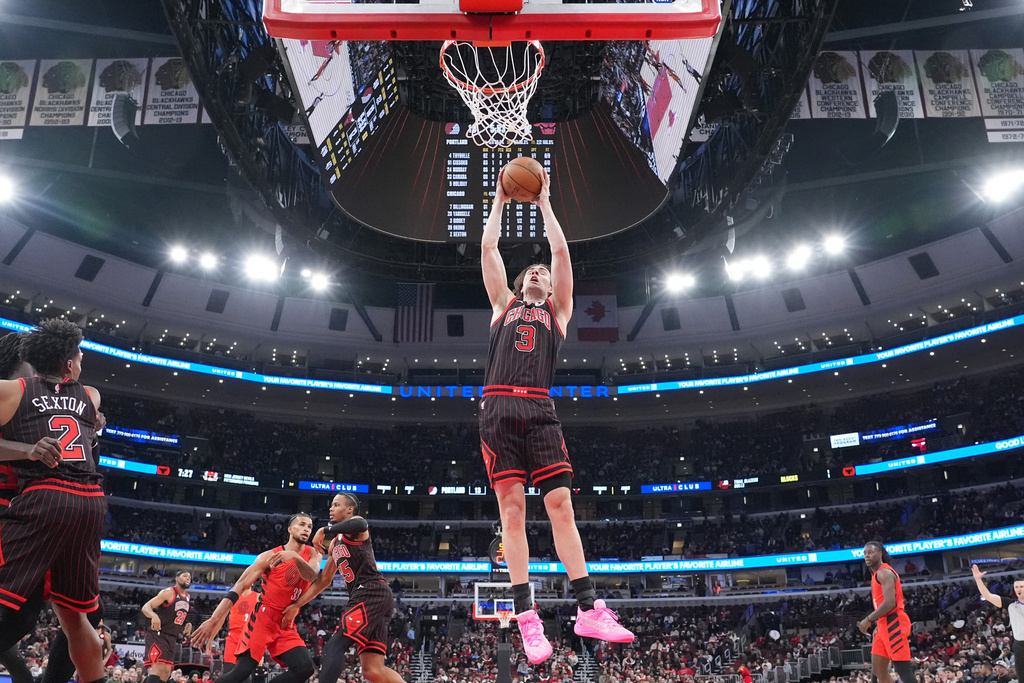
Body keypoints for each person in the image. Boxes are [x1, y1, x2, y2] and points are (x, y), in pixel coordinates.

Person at [479, 168, 634, 663]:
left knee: (561, 505)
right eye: (531, 271)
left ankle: (588, 608)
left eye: (542, 273)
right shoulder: (502, 305)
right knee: (512, 512)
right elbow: (488, 249)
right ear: (519, 282)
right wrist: (500, 201)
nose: (538, 272)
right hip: (498, 406)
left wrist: (544, 201)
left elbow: (562, 253)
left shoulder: (558, 312)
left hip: (540, 406)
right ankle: (527, 617)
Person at [0, 319, 106, 683]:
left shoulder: (21, 394)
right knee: (62, 616)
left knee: (20, 612)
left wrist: (90, 430)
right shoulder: (87, 396)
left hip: (43, 503)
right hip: (81, 503)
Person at [282, 493, 403, 683]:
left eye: (337, 505)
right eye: (331, 505)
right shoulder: (334, 544)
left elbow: (360, 523)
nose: (331, 508)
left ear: (350, 509)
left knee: (334, 646)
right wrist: (297, 605)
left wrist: (324, 529)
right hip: (372, 597)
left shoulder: (356, 529)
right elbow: (324, 581)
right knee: (373, 670)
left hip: (370, 591)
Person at [191, 514, 319, 683]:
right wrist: (213, 619)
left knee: (305, 668)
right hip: (262, 619)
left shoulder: (313, 554)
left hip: (285, 621)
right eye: (302, 525)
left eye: (309, 527)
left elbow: (311, 576)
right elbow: (239, 586)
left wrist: (295, 557)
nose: (306, 529)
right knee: (241, 673)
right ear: (290, 529)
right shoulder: (269, 556)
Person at [857, 541, 918, 683]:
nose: (866, 555)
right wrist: (878, 623)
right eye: (865, 553)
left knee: (903, 670)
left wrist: (869, 619)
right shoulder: (876, 574)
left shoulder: (884, 572)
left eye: (870, 552)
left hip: (894, 621)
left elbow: (890, 603)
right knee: (878, 670)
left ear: (880, 554)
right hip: (884, 622)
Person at [141, 571, 194, 683]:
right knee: (158, 667)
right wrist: (153, 615)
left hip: (172, 637)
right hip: (158, 634)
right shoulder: (168, 592)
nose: (188, 578)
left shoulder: (187, 596)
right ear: (177, 578)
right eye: (184, 576)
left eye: (189, 577)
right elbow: (146, 607)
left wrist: (187, 623)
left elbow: (175, 615)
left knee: (166, 672)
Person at [971, 564, 1024, 668]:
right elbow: (988, 596)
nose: (1019, 589)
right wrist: (978, 580)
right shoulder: (1010, 603)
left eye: (1021, 587)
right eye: (1016, 587)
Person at [222, 584, 258, 681]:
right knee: (228, 672)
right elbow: (221, 617)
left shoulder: (258, 597)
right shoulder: (233, 596)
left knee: (245, 676)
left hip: (249, 639)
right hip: (233, 637)